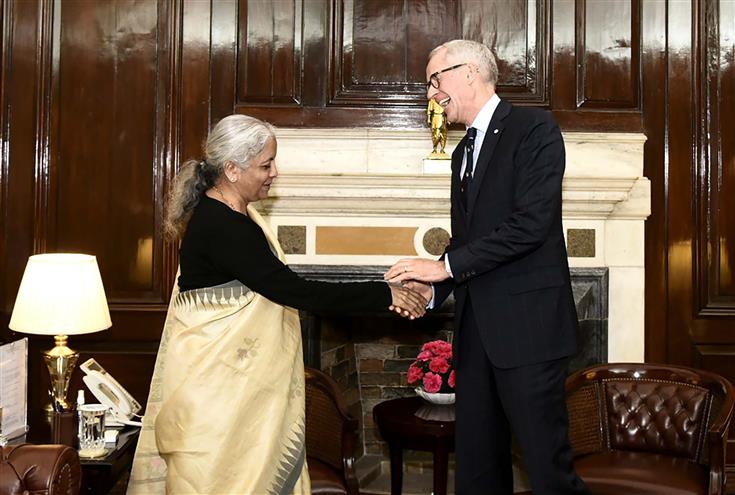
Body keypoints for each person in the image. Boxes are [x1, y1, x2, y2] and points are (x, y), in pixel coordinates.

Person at [127, 114, 427, 495]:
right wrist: (385, 292)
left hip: (227, 392)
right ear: (232, 169)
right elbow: (298, 293)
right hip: (218, 399)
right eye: (265, 164)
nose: (274, 172)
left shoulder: (234, 214)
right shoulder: (223, 227)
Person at [385, 40, 590, 494]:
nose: (431, 94)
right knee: (477, 470)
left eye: (435, 80)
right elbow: (469, 243)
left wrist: (444, 266)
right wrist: (430, 289)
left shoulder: (534, 128)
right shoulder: (462, 153)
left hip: (529, 333)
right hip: (477, 334)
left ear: (470, 74)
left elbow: (530, 226)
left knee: (547, 469)